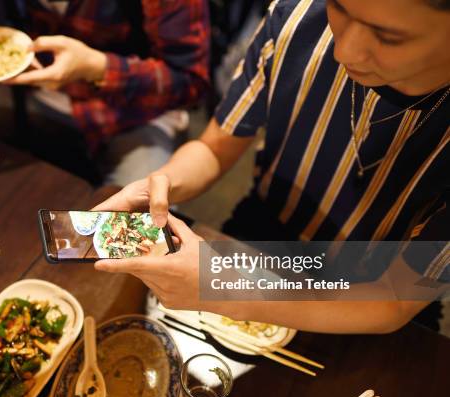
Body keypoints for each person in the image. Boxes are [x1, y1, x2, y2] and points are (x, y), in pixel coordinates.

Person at [93, 0, 449, 334]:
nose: (344, 51)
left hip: (375, 288)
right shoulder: (298, 18)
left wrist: (228, 291)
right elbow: (215, 148)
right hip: (266, 238)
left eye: (387, 37)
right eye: (338, 7)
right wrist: (162, 184)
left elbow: (393, 300)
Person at [0, 0, 210, 185]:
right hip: (32, 93)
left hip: (134, 112)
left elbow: (189, 80)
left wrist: (96, 68)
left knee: (135, 231)